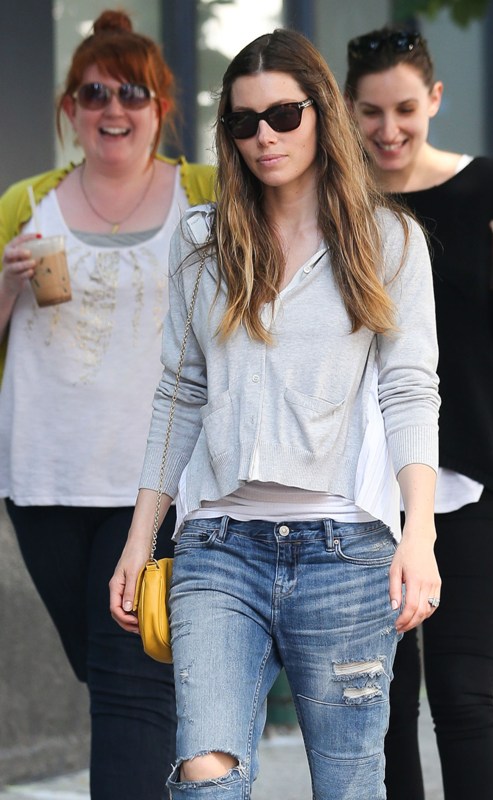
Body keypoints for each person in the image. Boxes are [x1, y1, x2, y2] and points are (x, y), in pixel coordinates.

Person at [110, 27, 441, 800]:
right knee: (206, 772)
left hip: (346, 551)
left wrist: (420, 533)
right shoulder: (201, 242)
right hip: (218, 549)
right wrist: (139, 538)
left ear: (322, 113)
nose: (265, 136)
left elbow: (409, 391)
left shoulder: (388, 240)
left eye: (284, 115)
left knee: (348, 786)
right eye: (244, 121)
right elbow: (179, 393)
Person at [344, 25, 493, 800]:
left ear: (435, 99)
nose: (389, 130)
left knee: (464, 698)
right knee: (384, 706)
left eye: (405, 109)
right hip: (370, 480)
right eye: (371, 112)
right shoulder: (339, 203)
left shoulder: (485, 187)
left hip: (480, 468)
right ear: (348, 109)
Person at [0, 10, 215, 800]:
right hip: (45, 481)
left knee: (130, 680)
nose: (113, 109)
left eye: (132, 92)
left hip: (159, 483)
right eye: (94, 93)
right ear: (70, 109)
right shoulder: (26, 204)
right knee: (107, 668)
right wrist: (5, 286)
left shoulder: (205, 195)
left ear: (162, 107)